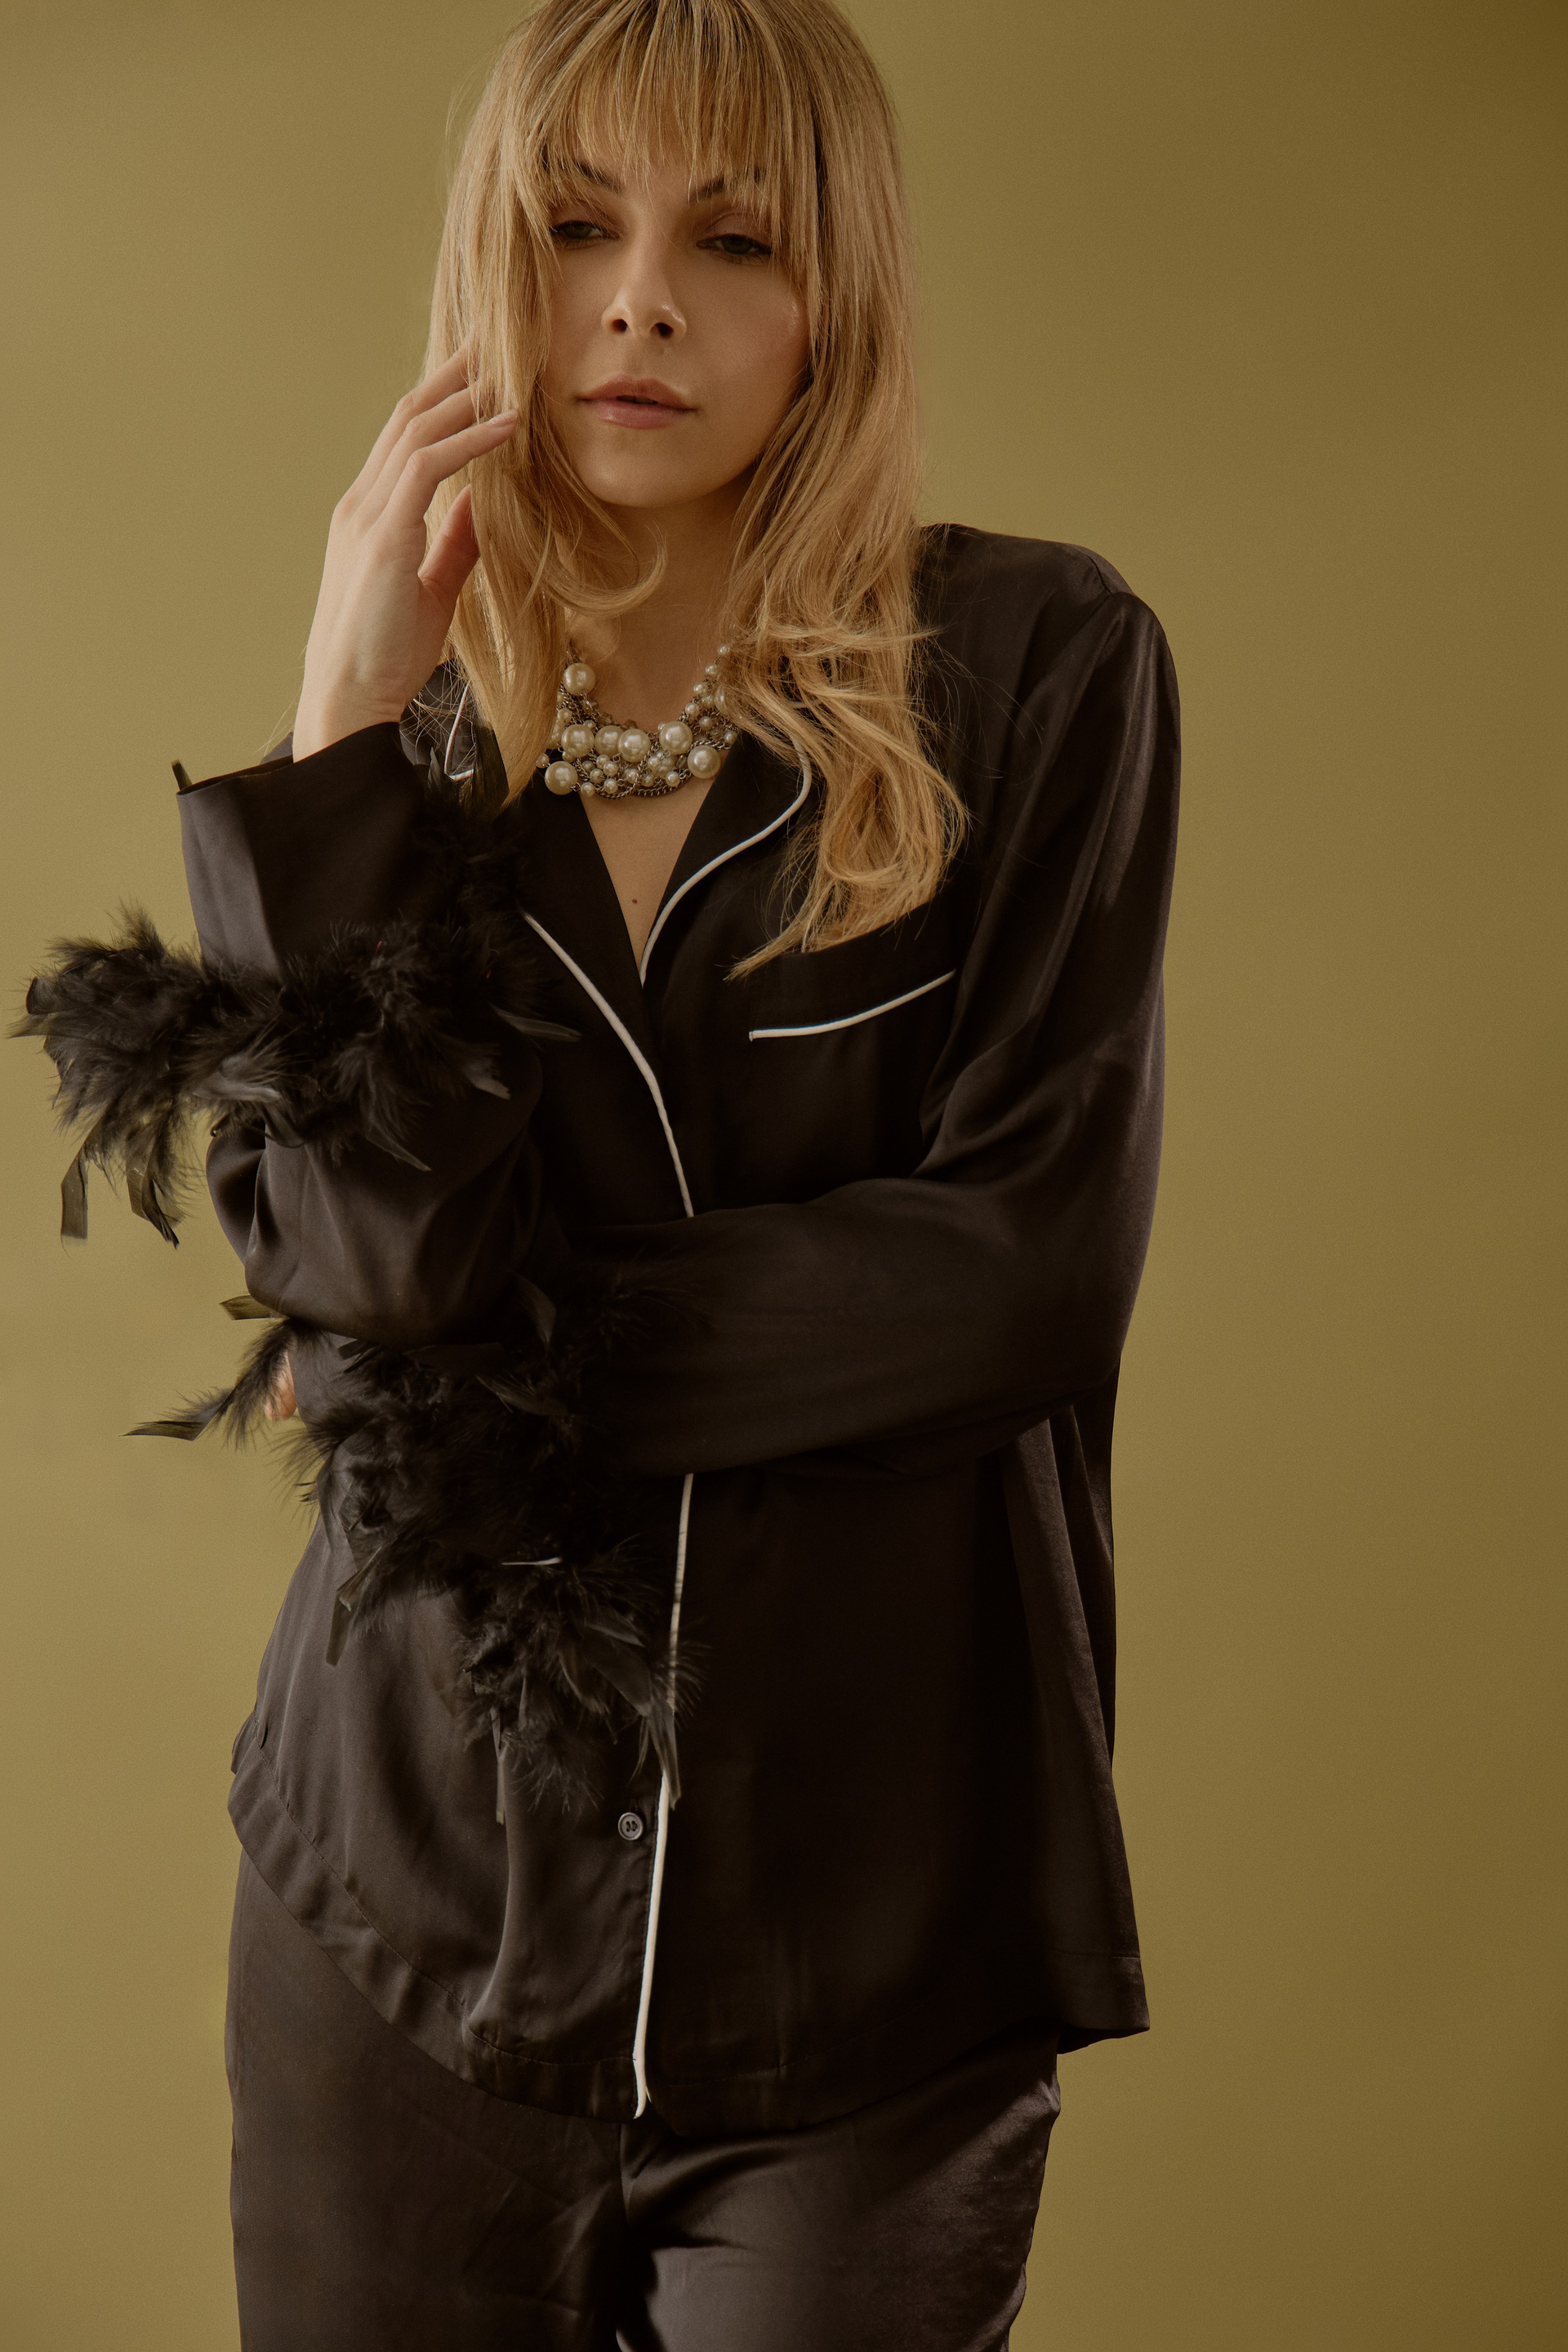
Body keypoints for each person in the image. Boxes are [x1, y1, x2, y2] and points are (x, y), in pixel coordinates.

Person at [20, 0, 1179, 2343]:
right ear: (493, 270)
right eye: (574, 228)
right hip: (398, 1924)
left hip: (871, 1950)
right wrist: (337, 731)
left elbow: (1018, 1275)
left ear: (833, 298)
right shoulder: (410, 763)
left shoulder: (1040, 670)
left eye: (731, 240)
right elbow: (364, 1260)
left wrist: (458, 1377)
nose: (638, 301)